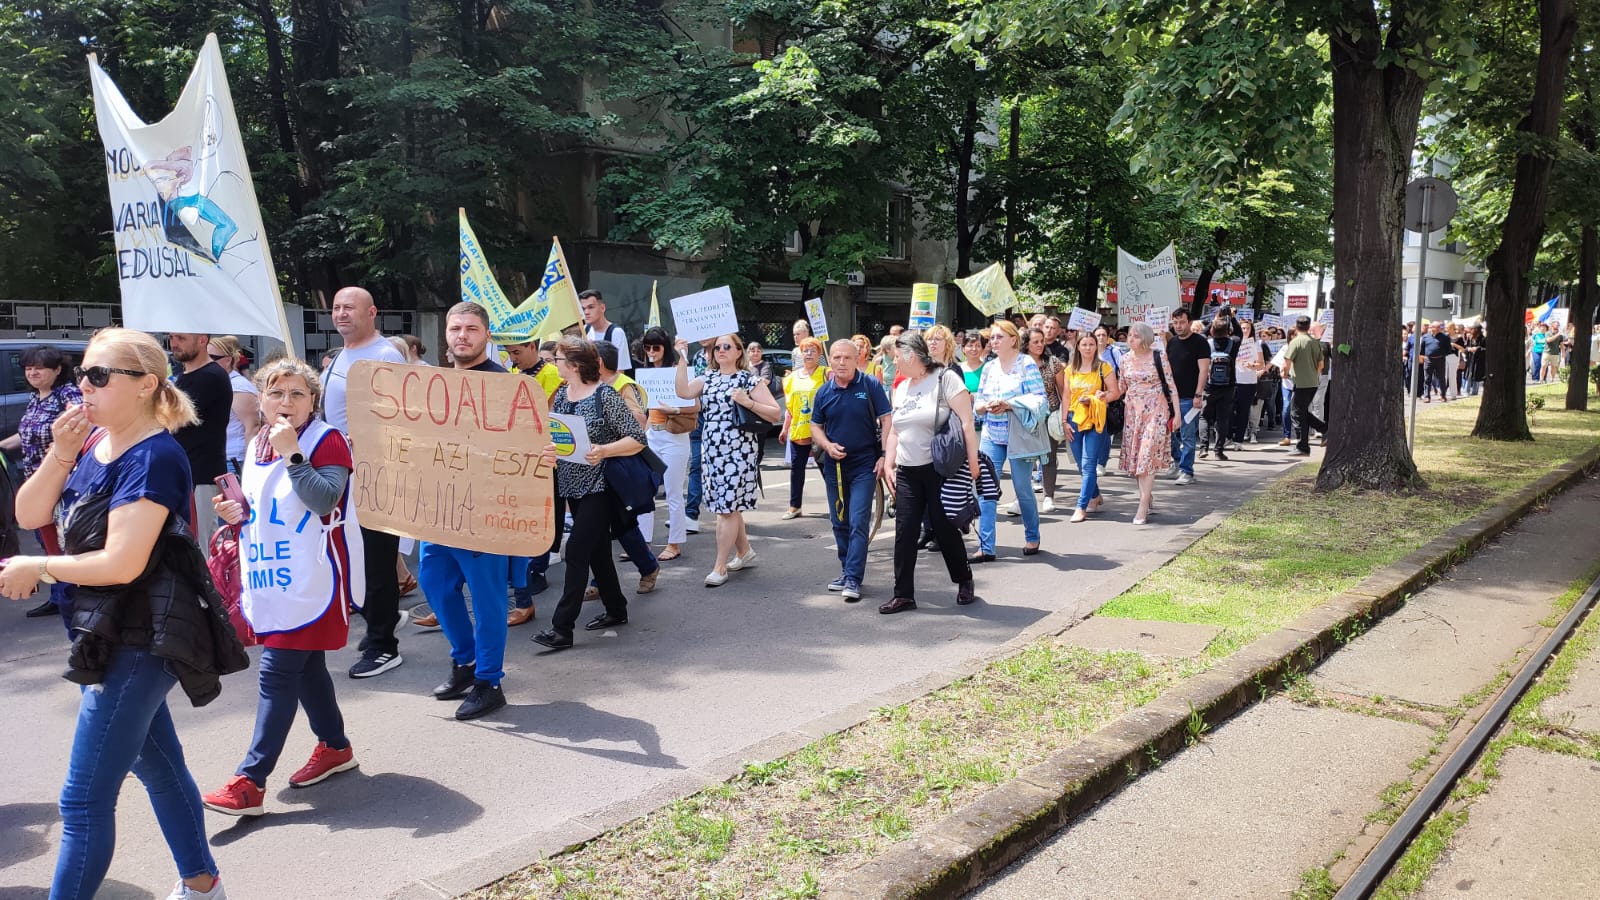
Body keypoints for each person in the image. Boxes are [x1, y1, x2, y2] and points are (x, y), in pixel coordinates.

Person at [1, 328, 233, 900]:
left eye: (98, 375)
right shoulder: (95, 442)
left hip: (138, 638)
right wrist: (59, 451)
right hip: (103, 633)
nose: (83, 385)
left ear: (145, 385)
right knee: (158, 767)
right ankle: (203, 885)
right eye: (82, 373)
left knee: (81, 802)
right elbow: (30, 512)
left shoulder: (154, 454)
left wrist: (43, 570)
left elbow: (124, 562)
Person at [201, 358, 363, 816]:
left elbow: (322, 498)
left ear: (313, 400)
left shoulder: (324, 439)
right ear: (262, 400)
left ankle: (250, 781)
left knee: (277, 672)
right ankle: (335, 746)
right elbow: (264, 506)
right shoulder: (256, 443)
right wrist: (236, 512)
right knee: (306, 668)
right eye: (276, 393)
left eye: (297, 394)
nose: (286, 402)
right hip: (271, 575)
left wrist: (294, 451)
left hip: (310, 578)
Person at [417, 303, 514, 719]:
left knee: (488, 597)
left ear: (486, 335)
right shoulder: (431, 383)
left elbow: (528, 442)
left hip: (486, 511)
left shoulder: (507, 386)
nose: (462, 336)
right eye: (456, 328)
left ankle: (489, 681)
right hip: (439, 508)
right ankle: (465, 661)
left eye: (471, 329)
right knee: (435, 583)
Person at [531, 336, 651, 652]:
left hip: (600, 486)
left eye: (556, 359)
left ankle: (562, 629)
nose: (552, 364)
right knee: (597, 553)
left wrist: (605, 450)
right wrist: (551, 452)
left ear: (573, 364)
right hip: (571, 484)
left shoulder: (605, 396)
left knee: (576, 552)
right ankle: (616, 608)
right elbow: (562, 439)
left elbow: (638, 438)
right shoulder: (561, 396)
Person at [321, 286, 408, 678]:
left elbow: (398, 414)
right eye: (337, 308)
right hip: (345, 470)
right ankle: (379, 619)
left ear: (371, 312)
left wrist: (368, 439)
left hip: (375, 472)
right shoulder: (343, 353)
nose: (341, 314)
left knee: (374, 557)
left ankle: (383, 645)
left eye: (349, 308)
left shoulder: (384, 354)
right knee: (356, 554)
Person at [674, 333, 782, 586]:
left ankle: (720, 566)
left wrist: (748, 402)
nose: (720, 350)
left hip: (739, 451)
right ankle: (744, 551)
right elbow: (683, 391)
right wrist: (681, 357)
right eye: (717, 347)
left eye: (726, 347)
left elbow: (774, 412)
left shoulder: (748, 379)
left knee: (726, 509)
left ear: (737, 352)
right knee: (727, 506)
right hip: (713, 450)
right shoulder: (707, 377)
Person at [882, 333, 980, 613]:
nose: (894, 360)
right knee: (905, 532)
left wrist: (973, 464)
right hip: (908, 471)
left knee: (944, 527)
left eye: (897, 355)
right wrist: (889, 463)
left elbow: (966, 422)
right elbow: (895, 432)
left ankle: (964, 579)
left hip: (939, 469)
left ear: (911, 355)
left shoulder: (945, 379)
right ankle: (903, 594)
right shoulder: (901, 388)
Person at [1, 345, 83, 619]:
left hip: (61, 484)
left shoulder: (68, 395)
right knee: (45, 540)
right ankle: (58, 595)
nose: (33, 373)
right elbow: (24, 437)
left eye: (39, 367)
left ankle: (69, 598)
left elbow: (79, 433)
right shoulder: (36, 398)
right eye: (28, 368)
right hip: (35, 484)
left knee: (59, 544)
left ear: (57, 370)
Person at [809, 340, 892, 600]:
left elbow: (887, 419)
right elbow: (815, 426)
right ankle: (846, 570)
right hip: (834, 466)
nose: (841, 362)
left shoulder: (870, 385)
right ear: (830, 361)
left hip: (864, 463)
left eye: (847, 357)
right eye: (836, 357)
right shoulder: (824, 391)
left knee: (858, 521)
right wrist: (826, 445)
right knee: (838, 521)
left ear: (857, 359)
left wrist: (884, 455)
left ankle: (854, 578)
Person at [502, 335, 565, 626]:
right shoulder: (513, 372)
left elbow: (549, 415)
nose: (512, 358)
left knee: (544, 512)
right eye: (509, 353)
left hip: (545, 452)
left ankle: (537, 568)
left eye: (516, 352)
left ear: (531, 348)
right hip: (517, 454)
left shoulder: (551, 374)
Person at [972, 320, 1047, 561]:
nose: (993, 342)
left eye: (998, 337)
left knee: (1022, 487)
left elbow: (1039, 400)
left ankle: (1032, 535)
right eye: (992, 338)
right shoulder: (989, 367)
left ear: (1013, 339)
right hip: (992, 434)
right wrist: (985, 407)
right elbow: (978, 402)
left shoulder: (1026, 364)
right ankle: (986, 546)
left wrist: (1009, 405)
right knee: (986, 490)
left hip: (1019, 436)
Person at [594, 339, 660, 595]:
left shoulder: (622, 385)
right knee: (595, 526)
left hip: (616, 464)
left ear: (598, 362)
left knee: (622, 524)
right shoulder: (586, 386)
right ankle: (600, 581)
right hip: (593, 464)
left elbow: (640, 420)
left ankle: (648, 567)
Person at [167, 332, 231, 553]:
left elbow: (174, 419)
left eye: (181, 338)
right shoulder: (187, 375)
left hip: (201, 475)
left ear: (202, 340)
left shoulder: (211, 376)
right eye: (171, 337)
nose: (174, 343)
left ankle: (208, 588)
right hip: (189, 474)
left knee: (201, 548)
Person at [638, 327, 696, 561]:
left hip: (674, 436)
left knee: (672, 492)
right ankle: (643, 543)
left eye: (656, 347)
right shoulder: (645, 373)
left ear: (665, 348)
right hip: (652, 434)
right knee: (644, 492)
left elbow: (695, 405)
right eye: (648, 347)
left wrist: (673, 409)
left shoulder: (677, 371)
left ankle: (674, 543)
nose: (651, 352)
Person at [1119, 323, 1181, 524]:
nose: (1131, 339)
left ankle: (1143, 505)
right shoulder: (1125, 359)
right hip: (1133, 413)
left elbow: (1171, 386)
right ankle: (1147, 495)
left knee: (1147, 455)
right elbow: (1121, 387)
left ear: (1145, 338)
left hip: (1156, 410)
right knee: (1137, 458)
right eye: (1129, 335)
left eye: (1135, 336)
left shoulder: (1158, 356)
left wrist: (1177, 415)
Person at [1062, 332, 1121, 522]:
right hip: (1074, 418)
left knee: (1089, 464)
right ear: (1078, 347)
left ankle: (1081, 506)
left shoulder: (1104, 367)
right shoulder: (1070, 370)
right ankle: (1095, 495)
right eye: (1084, 344)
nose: (1088, 348)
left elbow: (1115, 392)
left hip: (1095, 418)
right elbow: (1066, 396)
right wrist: (1064, 421)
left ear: (1096, 346)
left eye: (1091, 344)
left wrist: (1101, 397)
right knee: (1080, 464)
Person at [1161, 309, 1211, 485]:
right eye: (1175, 323)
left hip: (1189, 397)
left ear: (1189, 322)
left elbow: (1204, 370)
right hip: (1170, 397)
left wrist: (1198, 393)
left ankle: (1187, 471)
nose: (1179, 326)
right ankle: (1177, 461)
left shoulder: (1200, 342)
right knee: (1168, 432)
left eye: (1182, 322)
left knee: (1187, 435)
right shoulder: (1172, 342)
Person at [779, 337, 826, 519]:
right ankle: (794, 506)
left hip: (820, 430)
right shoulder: (790, 379)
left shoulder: (826, 374)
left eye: (812, 350)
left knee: (826, 469)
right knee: (796, 469)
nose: (808, 354)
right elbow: (790, 408)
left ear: (819, 354)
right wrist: (785, 428)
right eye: (805, 350)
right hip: (799, 429)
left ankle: (840, 503)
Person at [206, 336, 260, 478]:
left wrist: (250, 467)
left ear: (228, 360)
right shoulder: (217, 383)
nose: (206, 361)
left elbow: (253, 427)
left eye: (212, 357)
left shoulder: (238, 386)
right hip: (218, 457)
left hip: (234, 460)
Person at [1024, 327, 1064, 514]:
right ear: (1026, 344)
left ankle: (1049, 496)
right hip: (1025, 416)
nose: (1040, 345)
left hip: (1049, 415)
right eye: (1035, 342)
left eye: (1042, 341)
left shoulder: (1053, 363)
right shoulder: (1019, 363)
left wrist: (1064, 416)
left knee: (1048, 457)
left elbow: (1063, 391)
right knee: (1025, 458)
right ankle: (1022, 497)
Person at [1284, 316, 1328, 456]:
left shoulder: (1295, 342)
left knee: (1296, 413)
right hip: (1313, 382)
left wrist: (1285, 373)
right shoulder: (1315, 343)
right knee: (1301, 412)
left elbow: (1287, 362)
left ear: (1296, 326)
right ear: (1308, 327)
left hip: (1301, 382)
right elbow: (1321, 365)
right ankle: (1324, 429)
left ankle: (1303, 444)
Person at [1198, 319, 1239, 461]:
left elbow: (1201, 333)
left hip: (1209, 386)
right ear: (1228, 331)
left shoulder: (1205, 343)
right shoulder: (1233, 343)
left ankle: (1203, 447)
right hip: (1228, 386)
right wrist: (1232, 317)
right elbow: (1239, 333)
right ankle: (1218, 451)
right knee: (1222, 419)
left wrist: (1213, 321)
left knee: (1204, 416)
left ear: (1212, 331)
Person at [1230, 319, 1269, 446]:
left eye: (1247, 328)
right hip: (1233, 381)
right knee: (1229, 410)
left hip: (1248, 382)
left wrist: (1252, 366)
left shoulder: (1256, 344)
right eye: (1242, 328)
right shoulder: (1233, 342)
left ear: (1251, 330)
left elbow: (1261, 365)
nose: (1244, 330)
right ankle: (1228, 436)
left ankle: (1239, 440)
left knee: (1243, 410)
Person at [580, 289, 631, 375]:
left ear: (602, 308)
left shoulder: (616, 333)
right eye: (583, 309)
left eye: (591, 307)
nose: (586, 312)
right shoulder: (585, 330)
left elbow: (620, 371)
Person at [1417, 321, 1452, 403]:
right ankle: (1427, 396)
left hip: (1440, 360)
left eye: (1437, 327)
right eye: (1433, 327)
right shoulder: (1426, 337)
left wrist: (1441, 354)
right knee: (1427, 379)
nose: (1435, 329)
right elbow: (1422, 350)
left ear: (1439, 328)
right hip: (1428, 360)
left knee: (1441, 378)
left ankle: (1443, 395)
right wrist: (1421, 358)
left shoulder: (1445, 337)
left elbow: (1448, 350)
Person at [959, 331, 988, 396]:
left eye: (978, 346)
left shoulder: (987, 369)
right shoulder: (956, 369)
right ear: (963, 348)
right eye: (970, 345)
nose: (974, 349)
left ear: (983, 349)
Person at [1463, 324, 1487, 396]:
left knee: (1476, 375)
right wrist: (1469, 349)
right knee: (1469, 374)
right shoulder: (1470, 338)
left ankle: (1475, 392)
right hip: (1471, 359)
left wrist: (1478, 348)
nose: (1471, 331)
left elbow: (1486, 349)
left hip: (1479, 360)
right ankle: (1466, 391)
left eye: (1472, 329)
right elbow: (1466, 347)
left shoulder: (1483, 339)